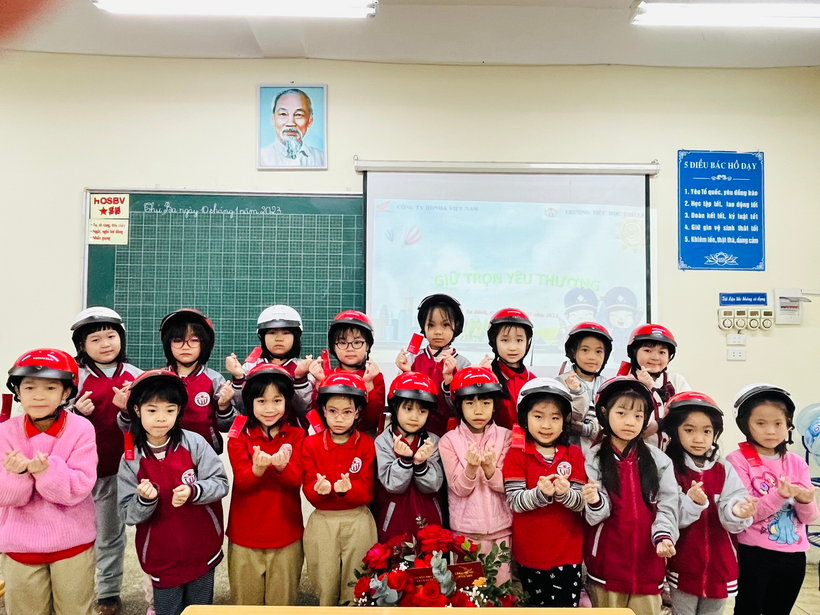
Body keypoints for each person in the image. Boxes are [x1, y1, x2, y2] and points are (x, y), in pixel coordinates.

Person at [118, 370, 229, 615]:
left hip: (202, 549)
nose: (161, 418)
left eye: (169, 410)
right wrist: (144, 500)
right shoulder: (131, 457)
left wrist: (194, 491)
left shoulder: (195, 443)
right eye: (152, 410)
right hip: (161, 556)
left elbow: (221, 483)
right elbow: (127, 514)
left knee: (199, 609)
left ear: (179, 411)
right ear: (137, 410)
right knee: (168, 609)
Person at [1, 348, 98, 615]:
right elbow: (4, 496)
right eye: (29, 387)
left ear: (66, 393)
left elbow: (78, 488)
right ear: (17, 391)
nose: (39, 396)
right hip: (20, 546)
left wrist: (46, 472)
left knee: (75, 610)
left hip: (73, 544)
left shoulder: (81, 429)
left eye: (51, 387)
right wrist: (18, 475)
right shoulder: (5, 432)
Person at [583, 377, 679, 615]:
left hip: (649, 563)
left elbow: (668, 505)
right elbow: (593, 516)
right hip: (606, 566)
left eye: (638, 416)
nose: (630, 422)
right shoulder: (593, 458)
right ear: (604, 413)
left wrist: (664, 536)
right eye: (621, 413)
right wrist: (594, 501)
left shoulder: (658, 460)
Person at [70, 307, 143, 615]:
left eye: (111, 336)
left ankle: (108, 591)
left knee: (110, 534)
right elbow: (50, 418)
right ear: (82, 345)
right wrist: (75, 413)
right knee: (73, 534)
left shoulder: (136, 376)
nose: (105, 344)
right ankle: (73, 588)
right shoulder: (73, 377)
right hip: (75, 471)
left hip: (116, 470)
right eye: (95, 339)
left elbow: (152, 421)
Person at [726, 384, 819, 615]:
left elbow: (809, 518)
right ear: (745, 424)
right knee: (747, 610)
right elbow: (750, 514)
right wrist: (780, 495)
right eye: (761, 423)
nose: (771, 431)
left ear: (788, 424)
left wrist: (805, 501)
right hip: (754, 553)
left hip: (794, 556)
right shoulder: (737, 460)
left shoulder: (797, 462)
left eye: (778, 423)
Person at [661, 392, 756, 615]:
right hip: (683, 563)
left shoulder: (724, 469)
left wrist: (738, 511)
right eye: (689, 430)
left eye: (707, 431)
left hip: (720, 565)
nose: (699, 439)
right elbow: (670, 516)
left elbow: (734, 503)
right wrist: (692, 503)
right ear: (674, 430)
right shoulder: (668, 467)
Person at [503, 378, 587, 607]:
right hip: (530, 554)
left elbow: (581, 503)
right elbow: (514, 501)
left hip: (568, 553)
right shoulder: (516, 454)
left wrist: (565, 493)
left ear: (564, 421)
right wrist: (540, 494)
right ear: (525, 419)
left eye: (555, 418)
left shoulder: (574, 454)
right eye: (538, 416)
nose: (547, 425)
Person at [227, 364, 305, 605]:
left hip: (287, 534)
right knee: (245, 605)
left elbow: (296, 480)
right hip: (245, 536)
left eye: (277, 400)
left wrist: (282, 467)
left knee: (282, 604)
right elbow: (242, 481)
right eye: (261, 401)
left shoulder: (297, 435)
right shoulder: (238, 435)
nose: (270, 409)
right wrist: (257, 469)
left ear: (286, 402)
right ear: (250, 402)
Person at [301, 373, 377, 605]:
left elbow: (367, 493)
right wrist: (319, 489)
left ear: (357, 413)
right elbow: (309, 491)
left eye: (347, 412)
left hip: (357, 519)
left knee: (357, 583)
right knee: (325, 581)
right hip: (323, 519)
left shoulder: (366, 444)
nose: (339, 418)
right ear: (323, 411)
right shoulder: (311, 444)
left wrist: (347, 489)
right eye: (333, 411)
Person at [438, 367, 513, 582]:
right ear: (459, 405)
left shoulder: (506, 437)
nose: (478, 411)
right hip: (465, 534)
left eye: (486, 403)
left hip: (501, 531)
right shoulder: (448, 441)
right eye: (470, 403)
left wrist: (489, 469)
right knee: (467, 593)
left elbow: (507, 486)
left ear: (494, 406)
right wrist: (470, 469)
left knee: (501, 592)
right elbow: (458, 489)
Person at [133, 309, 235, 454]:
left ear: (204, 344)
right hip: (166, 454)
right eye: (177, 340)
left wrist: (224, 407)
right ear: (168, 344)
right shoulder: (156, 380)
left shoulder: (215, 380)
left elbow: (227, 427)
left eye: (194, 340)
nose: (185, 346)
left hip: (207, 453)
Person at [373, 372, 444, 542]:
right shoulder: (383, 441)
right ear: (395, 407)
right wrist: (404, 461)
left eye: (422, 411)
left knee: (431, 555)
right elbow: (393, 486)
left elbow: (433, 485)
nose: (414, 417)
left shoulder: (433, 441)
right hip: (394, 520)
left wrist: (421, 464)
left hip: (429, 517)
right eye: (408, 408)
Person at [226, 305, 315, 426]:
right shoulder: (249, 368)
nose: (279, 338)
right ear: (262, 337)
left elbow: (305, 412)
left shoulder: (304, 369)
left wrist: (300, 380)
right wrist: (238, 379)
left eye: (286, 333)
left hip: (294, 436)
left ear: (296, 337)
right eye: (272, 333)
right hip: (256, 434)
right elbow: (242, 409)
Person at [396, 294, 470, 436]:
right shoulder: (412, 360)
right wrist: (406, 375)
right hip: (416, 433)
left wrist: (449, 383)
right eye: (431, 325)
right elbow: (400, 403)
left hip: (452, 435)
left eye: (445, 325)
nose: (438, 331)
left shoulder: (463, 364)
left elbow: (464, 408)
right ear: (423, 327)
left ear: (456, 326)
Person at [308, 310, 385, 433]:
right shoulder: (327, 376)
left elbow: (373, 421)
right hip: (332, 438)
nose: (350, 349)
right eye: (342, 343)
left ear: (368, 345)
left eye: (357, 342)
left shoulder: (374, 376)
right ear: (333, 347)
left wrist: (368, 385)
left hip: (364, 439)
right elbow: (318, 417)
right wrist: (319, 383)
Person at [626, 324, 691, 449]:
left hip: (674, 453)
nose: (655, 357)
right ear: (634, 352)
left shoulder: (677, 381)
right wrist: (643, 389)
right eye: (647, 351)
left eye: (662, 352)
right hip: (636, 452)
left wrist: (660, 425)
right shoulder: (625, 381)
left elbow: (689, 413)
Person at [557, 321, 612, 453]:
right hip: (568, 453)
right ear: (573, 352)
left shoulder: (608, 386)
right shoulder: (561, 382)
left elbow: (613, 420)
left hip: (602, 454)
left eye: (598, 351)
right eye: (585, 350)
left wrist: (588, 429)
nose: (592, 357)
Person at [482, 308, 535, 430]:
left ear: (527, 343)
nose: (512, 347)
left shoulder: (533, 381)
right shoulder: (488, 375)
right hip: (493, 440)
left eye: (519, 340)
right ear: (494, 342)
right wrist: (481, 382)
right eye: (505, 340)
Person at [259, 88, 326, 168]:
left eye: (298, 115)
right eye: (283, 114)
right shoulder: (260, 158)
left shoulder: (322, 158)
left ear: (310, 121)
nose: (290, 123)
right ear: (273, 119)